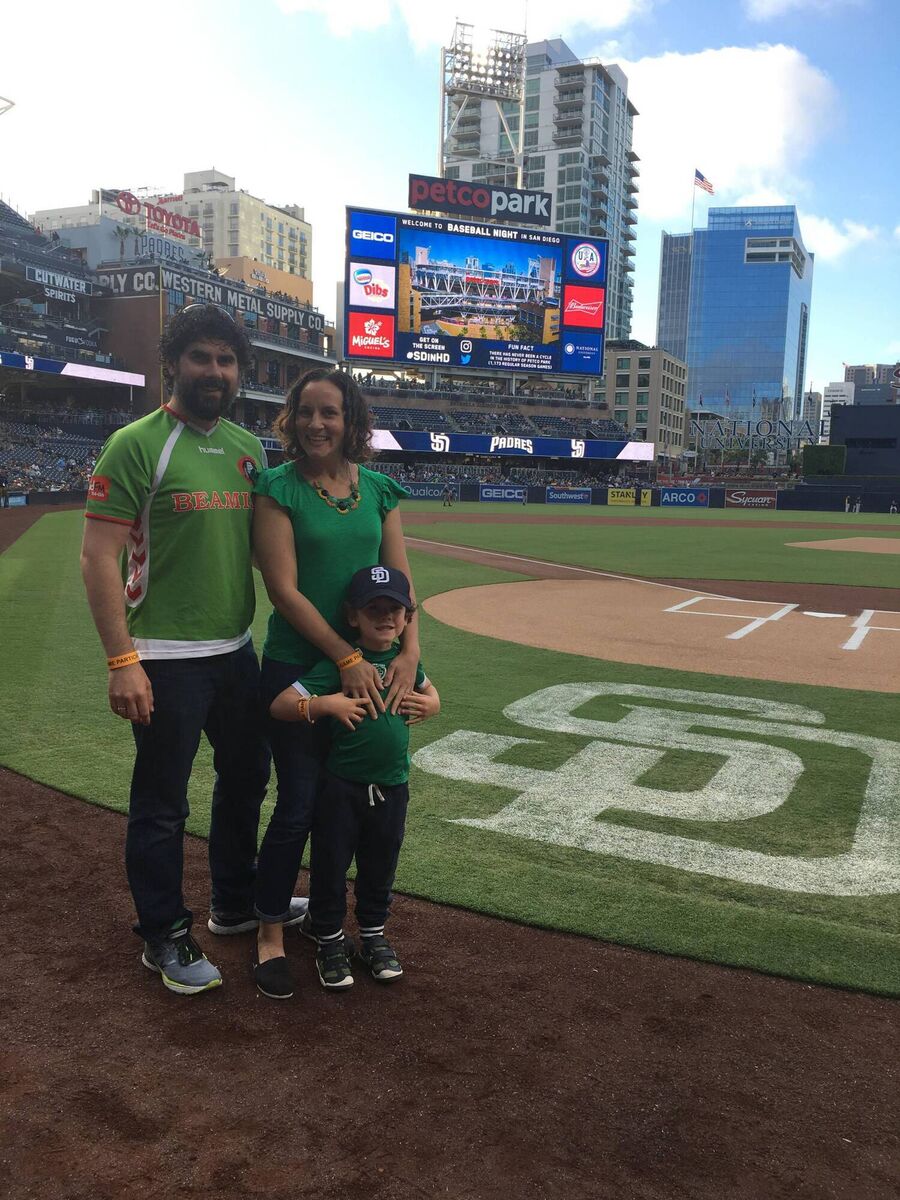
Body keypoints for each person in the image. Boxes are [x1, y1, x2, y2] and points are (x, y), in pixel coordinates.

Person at [80, 303, 305, 997]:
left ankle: (233, 904)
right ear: (173, 362)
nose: (215, 371)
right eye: (201, 357)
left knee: (246, 780)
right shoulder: (137, 443)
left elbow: (270, 557)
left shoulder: (247, 446)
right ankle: (163, 934)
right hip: (164, 659)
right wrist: (123, 661)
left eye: (227, 360)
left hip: (235, 653)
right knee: (161, 803)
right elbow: (98, 558)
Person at [251, 368, 420, 997]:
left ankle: (335, 926)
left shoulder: (378, 490)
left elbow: (401, 585)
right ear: (290, 419)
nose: (317, 424)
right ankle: (269, 931)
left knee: (351, 804)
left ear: (352, 420)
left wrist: (408, 653)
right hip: (300, 666)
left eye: (331, 413)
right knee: (297, 806)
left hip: (368, 669)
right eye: (306, 412)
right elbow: (283, 591)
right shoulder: (277, 487)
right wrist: (347, 657)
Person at [267, 565, 439, 996]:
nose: (386, 617)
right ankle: (328, 939)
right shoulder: (339, 667)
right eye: (374, 608)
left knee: (380, 864)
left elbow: (433, 694)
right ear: (352, 616)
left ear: (408, 616)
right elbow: (282, 704)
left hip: (393, 786)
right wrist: (326, 706)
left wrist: (431, 706)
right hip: (342, 789)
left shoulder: (405, 665)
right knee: (331, 864)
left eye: (395, 610)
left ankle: (372, 934)